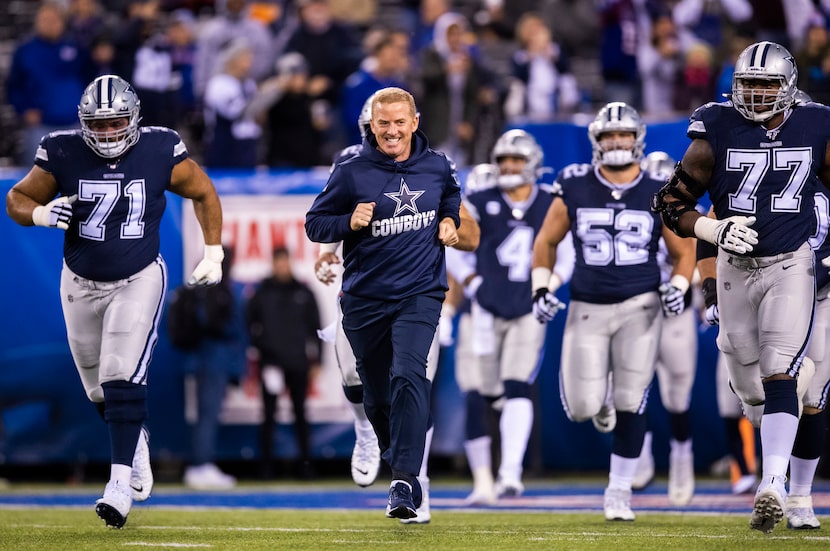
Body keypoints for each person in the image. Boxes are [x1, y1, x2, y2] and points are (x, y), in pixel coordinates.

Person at [4, 74, 224, 528]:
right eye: (98, 124)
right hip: (80, 280)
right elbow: (17, 198)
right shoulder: (61, 149)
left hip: (138, 275)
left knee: (119, 372)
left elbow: (203, 190)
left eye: (115, 122)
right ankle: (134, 442)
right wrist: (40, 213)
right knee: (97, 388)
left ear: (134, 118)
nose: (106, 133)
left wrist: (214, 251)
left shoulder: (161, 147)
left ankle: (118, 481)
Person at [650, 40, 827, 533]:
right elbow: (668, 203)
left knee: (777, 371)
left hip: (792, 262)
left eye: (767, 84)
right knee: (751, 395)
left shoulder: (818, 125)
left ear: (788, 86)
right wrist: (713, 230)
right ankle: (796, 385)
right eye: (748, 84)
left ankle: (772, 484)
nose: (756, 93)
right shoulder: (716, 126)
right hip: (732, 266)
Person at [312, 92, 478, 523]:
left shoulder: (438, 164)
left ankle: (405, 480)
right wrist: (347, 224)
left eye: (399, 122)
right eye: (383, 123)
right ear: (371, 124)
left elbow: (453, 202)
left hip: (420, 293)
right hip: (366, 298)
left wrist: (450, 221)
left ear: (414, 121)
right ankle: (390, 455)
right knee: (376, 395)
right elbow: (316, 223)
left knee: (410, 375)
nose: (392, 130)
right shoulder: (350, 169)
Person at [531, 101, 696, 521]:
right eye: (609, 135)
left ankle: (618, 491)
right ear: (597, 142)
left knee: (631, 398)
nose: (617, 141)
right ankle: (599, 400)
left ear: (637, 139)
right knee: (583, 407)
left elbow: (683, 250)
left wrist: (678, 285)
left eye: (624, 134)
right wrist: (540, 288)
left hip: (640, 305)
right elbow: (546, 242)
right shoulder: (574, 183)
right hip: (588, 305)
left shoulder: (659, 187)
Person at [456, 130, 575, 501]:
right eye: (503, 160)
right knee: (477, 392)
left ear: (532, 163)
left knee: (516, 384)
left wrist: (548, 286)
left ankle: (509, 473)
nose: (508, 166)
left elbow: (566, 254)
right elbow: (453, 247)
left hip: (526, 307)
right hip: (485, 309)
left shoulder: (551, 202)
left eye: (515, 160)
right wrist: (473, 283)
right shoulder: (477, 199)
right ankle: (482, 481)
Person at [631, 151, 697, 506]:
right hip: (640, 312)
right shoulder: (632, 217)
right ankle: (640, 459)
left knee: (677, 397)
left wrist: (691, 291)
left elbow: (697, 261)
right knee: (632, 389)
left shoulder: (686, 220)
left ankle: (681, 461)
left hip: (675, 316)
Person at [247, 246, 322, 480]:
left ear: (290, 262)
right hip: (271, 364)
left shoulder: (303, 292)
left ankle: (306, 465)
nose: (282, 266)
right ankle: (266, 467)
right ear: (273, 263)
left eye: (285, 262)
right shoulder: (262, 293)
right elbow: (249, 325)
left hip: (298, 363)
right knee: (268, 416)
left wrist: (317, 361)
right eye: (277, 262)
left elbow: (315, 328)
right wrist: (261, 350)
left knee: (301, 414)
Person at [179, 247, 247, 490]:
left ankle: (202, 463)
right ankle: (200, 464)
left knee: (207, 414)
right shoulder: (217, 287)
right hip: (212, 359)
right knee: (207, 414)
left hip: (208, 358)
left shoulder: (205, 286)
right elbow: (222, 326)